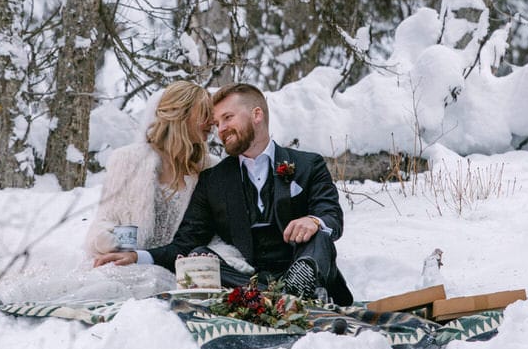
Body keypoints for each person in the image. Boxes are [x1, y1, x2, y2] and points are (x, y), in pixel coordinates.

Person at [96, 82, 352, 304]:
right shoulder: (213, 178)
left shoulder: (308, 164)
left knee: (321, 236)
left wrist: (313, 221)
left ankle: (301, 286)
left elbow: (331, 216)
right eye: (217, 123)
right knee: (197, 256)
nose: (220, 130)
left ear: (257, 114)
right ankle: (272, 298)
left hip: (304, 262)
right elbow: (186, 243)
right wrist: (137, 256)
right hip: (249, 279)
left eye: (228, 118)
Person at [88, 80, 213, 262]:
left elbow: (214, 235)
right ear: (180, 113)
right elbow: (105, 220)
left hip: (182, 270)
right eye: (205, 114)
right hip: (127, 265)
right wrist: (109, 241)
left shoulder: (209, 169)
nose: (213, 122)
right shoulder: (128, 160)